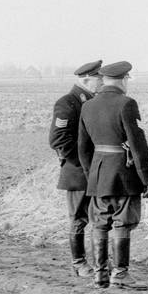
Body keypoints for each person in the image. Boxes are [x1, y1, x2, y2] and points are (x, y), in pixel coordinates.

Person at [78, 61, 148, 289]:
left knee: (100, 224)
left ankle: (100, 274)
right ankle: (120, 274)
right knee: (123, 222)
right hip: (123, 174)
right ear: (123, 80)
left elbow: (83, 148)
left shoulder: (88, 106)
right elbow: (137, 145)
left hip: (99, 174)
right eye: (127, 79)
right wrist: (147, 178)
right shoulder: (126, 104)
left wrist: (92, 174)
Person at [48, 59, 103, 277]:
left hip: (95, 172)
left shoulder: (92, 102)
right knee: (79, 220)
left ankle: (99, 262)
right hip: (78, 172)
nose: (101, 82)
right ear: (86, 79)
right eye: (98, 78)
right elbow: (58, 140)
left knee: (98, 218)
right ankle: (79, 262)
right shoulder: (68, 102)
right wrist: (83, 162)